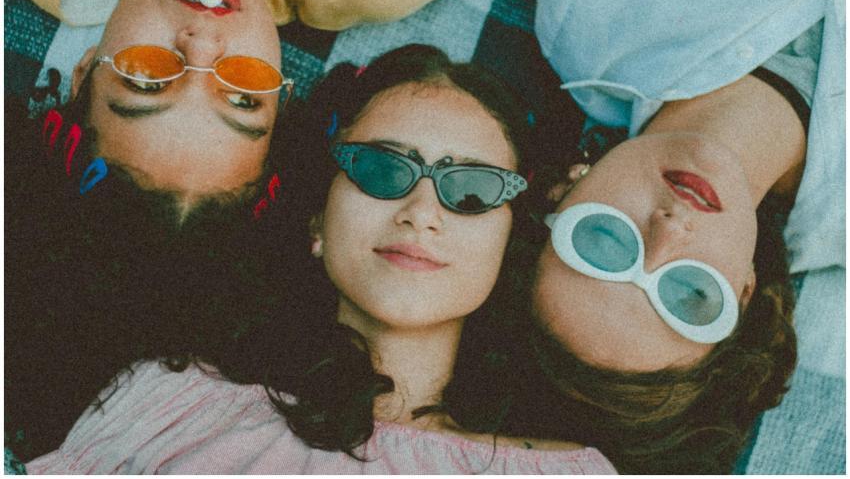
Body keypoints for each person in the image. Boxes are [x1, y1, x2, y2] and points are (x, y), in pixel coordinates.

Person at [25, 45, 617, 474]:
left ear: (508, 241)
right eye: (382, 169)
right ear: (316, 223)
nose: (422, 211)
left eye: (472, 189)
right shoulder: (168, 405)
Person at [483, 0, 844, 473]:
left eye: (603, 240)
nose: (670, 230)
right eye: (691, 296)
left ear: (560, 193)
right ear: (744, 294)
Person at [4, 0, 519, 213]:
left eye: (147, 77)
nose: (202, 45)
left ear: (86, 69)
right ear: (281, 96)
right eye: (244, 94)